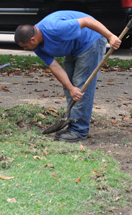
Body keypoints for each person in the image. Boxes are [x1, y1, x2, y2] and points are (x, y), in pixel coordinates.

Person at [14, 10, 122, 142]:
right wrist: (70, 87)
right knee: (71, 87)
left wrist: (111, 36)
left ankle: (79, 130)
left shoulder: (54, 28)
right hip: (73, 48)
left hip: (90, 41)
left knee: (81, 86)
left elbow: (88, 21)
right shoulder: (37, 46)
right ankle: (73, 124)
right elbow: (54, 66)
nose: (26, 49)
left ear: (32, 39)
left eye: (25, 46)